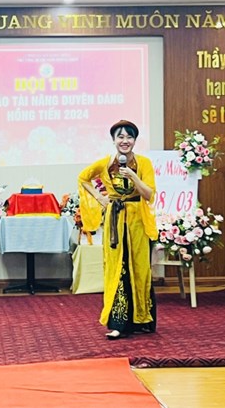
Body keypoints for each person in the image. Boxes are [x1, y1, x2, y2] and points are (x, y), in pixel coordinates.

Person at [78, 120, 158, 340]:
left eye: (129, 137)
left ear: (135, 140)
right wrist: (100, 197)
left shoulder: (144, 163)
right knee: (118, 269)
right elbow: (83, 178)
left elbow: (149, 194)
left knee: (140, 268)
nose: (125, 141)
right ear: (113, 140)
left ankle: (142, 320)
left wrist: (133, 176)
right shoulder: (106, 163)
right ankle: (118, 324)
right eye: (120, 137)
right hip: (115, 220)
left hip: (138, 222)